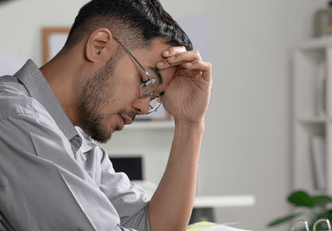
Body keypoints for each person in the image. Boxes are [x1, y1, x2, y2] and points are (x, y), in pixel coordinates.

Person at [0, 0, 212, 230]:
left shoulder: (81, 148)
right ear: (98, 46)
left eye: (154, 96)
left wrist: (190, 122)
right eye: (146, 81)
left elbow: (152, 226)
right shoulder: (15, 118)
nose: (142, 108)